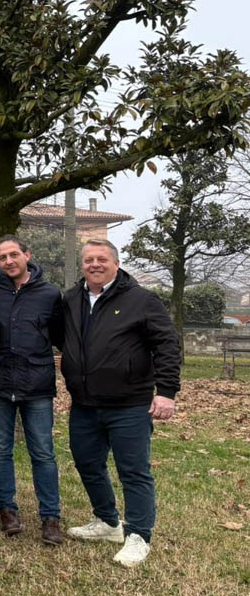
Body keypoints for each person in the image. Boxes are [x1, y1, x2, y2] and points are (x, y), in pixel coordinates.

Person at [60, 240, 180, 567]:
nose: (94, 264)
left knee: (134, 471)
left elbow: (167, 344)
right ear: (82, 265)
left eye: (101, 259)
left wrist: (166, 391)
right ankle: (108, 522)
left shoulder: (141, 300)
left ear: (115, 262)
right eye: (88, 260)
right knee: (87, 463)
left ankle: (139, 535)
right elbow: (64, 338)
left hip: (129, 404)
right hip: (84, 404)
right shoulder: (71, 300)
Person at [0, 235, 65, 545]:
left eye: (13, 254)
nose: (8, 261)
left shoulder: (49, 294)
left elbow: (58, 336)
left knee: (43, 452)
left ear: (27, 255)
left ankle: (50, 517)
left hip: (37, 385)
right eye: (2, 257)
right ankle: (7, 509)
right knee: (1, 450)